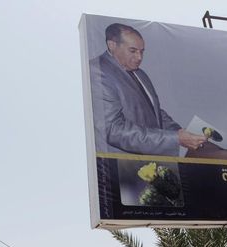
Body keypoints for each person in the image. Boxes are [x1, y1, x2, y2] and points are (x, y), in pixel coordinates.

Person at [89, 23, 207, 156]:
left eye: (142, 51)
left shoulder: (139, 74)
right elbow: (113, 130)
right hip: (122, 167)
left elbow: (155, 112)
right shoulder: (96, 71)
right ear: (112, 45)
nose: (139, 58)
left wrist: (178, 131)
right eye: (133, 51)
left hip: (150, 164)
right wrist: (175, 138)